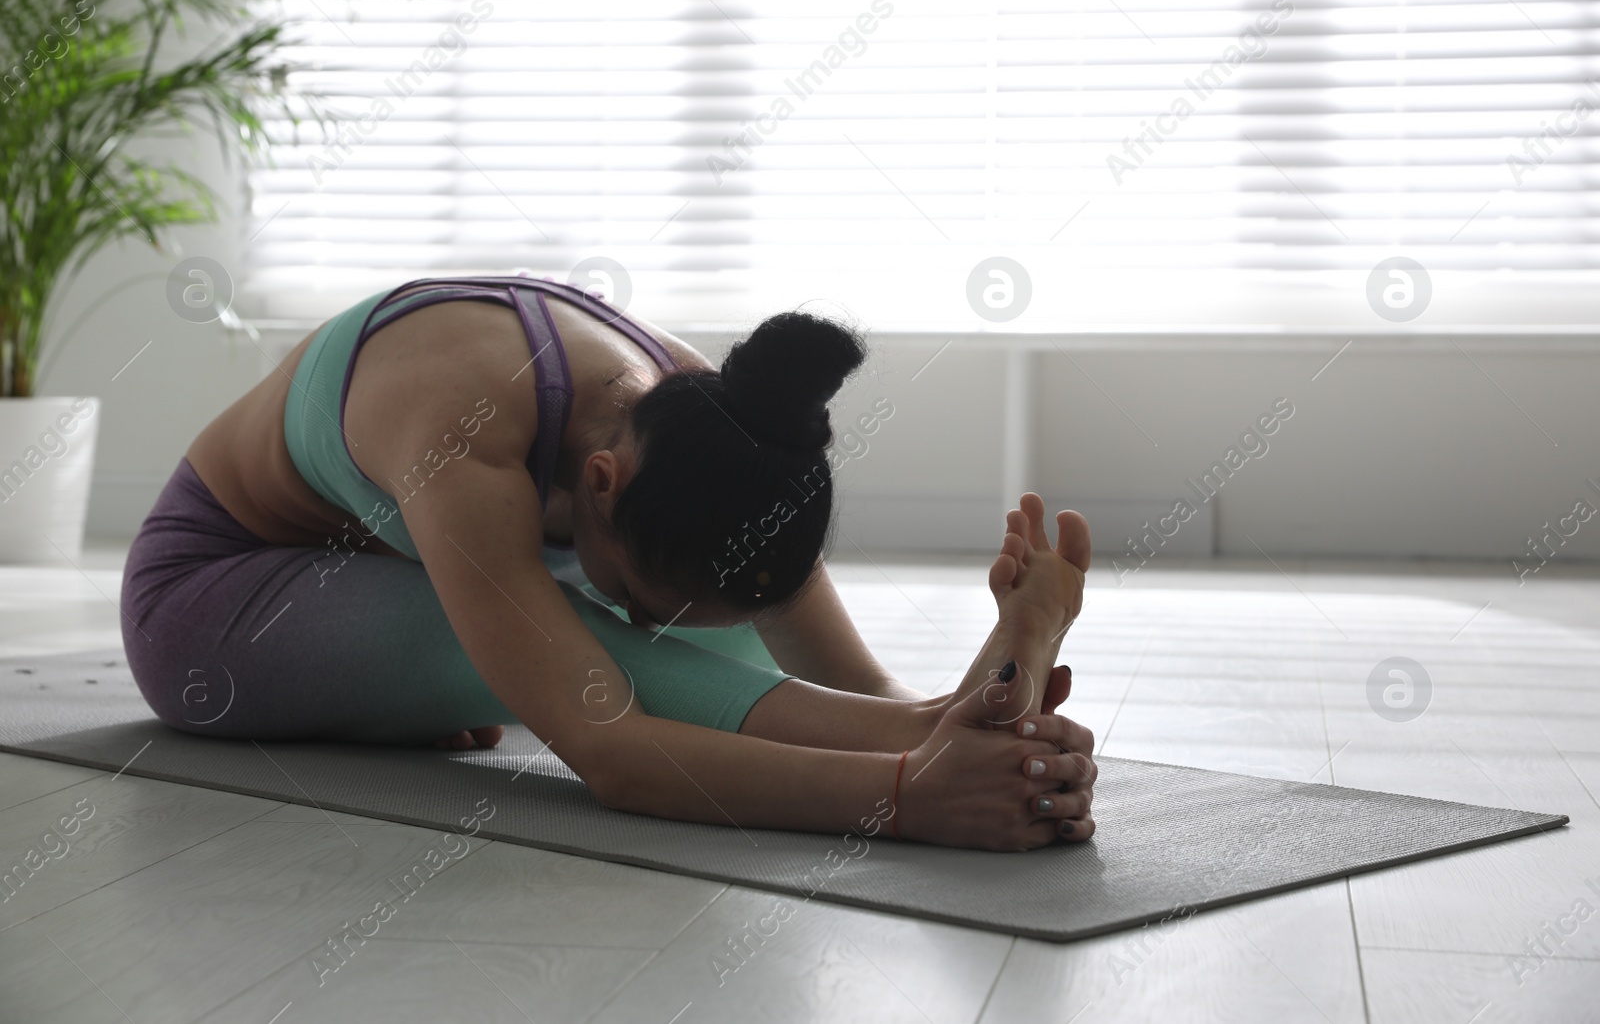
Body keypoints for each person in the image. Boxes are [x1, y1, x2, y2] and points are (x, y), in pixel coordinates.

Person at [120, 275, 1097, 850]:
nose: (644, 611)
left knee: (733, 667)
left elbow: (848, 682)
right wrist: (904, 798)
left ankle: (963, 708)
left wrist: (958, 725)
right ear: (599, 480)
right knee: (607, 661)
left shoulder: (719, 432)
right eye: (641, 589)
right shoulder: (461, 428)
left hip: (384, 583)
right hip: (214, 603)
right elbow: (615, 756)